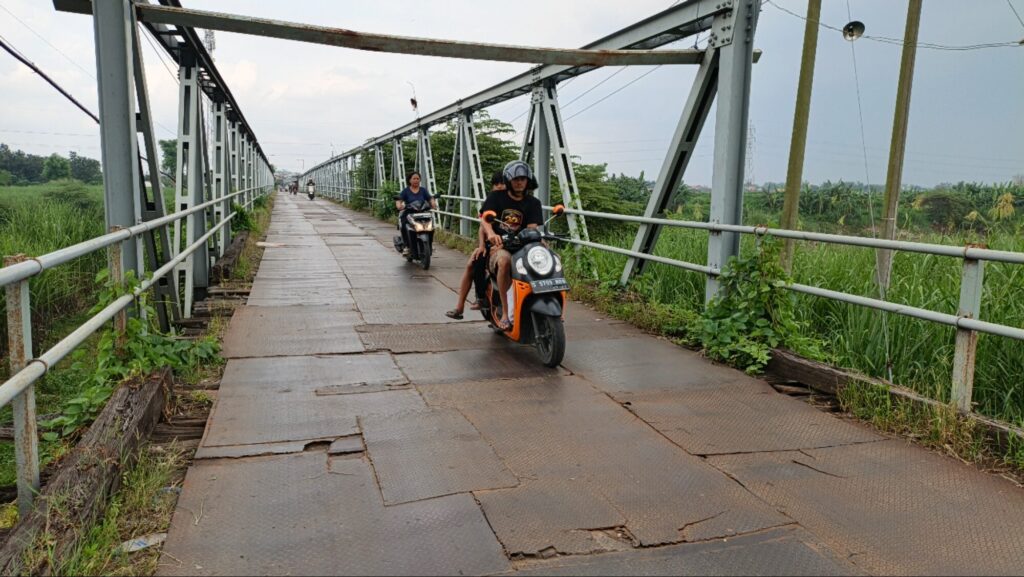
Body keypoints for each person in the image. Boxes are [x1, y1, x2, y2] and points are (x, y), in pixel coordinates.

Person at [480, 160, 543, 330]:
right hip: (502, 247)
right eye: (516, 179)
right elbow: (485, 219)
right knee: (504, 262)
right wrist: (492, 234)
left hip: (523, 247)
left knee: (553, 259)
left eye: (523, 179)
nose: (520, 182)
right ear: (509, 180)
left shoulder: (533, 203)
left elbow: (532, 228)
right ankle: (506, 314)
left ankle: (549, 305)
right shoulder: (496, 197)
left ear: (528, 180)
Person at [445, 172, 507, 320]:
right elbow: (483, 226)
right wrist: (482, 246)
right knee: (473, 264)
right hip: (493, 243)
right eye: (496, 183)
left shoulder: (517, 200)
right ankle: (463, 305)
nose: (499, 186)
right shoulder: (492, 201)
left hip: (513, 243)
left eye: (502, 183)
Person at [395, 171, 436, 257]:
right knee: (404, 225)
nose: (416, 180)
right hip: (409, 213)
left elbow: (430, 198)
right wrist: (399, 205)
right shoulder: (406, 191)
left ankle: (430, 245)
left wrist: (433, 204)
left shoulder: (423, 190)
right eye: (414, 178)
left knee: (431, 227)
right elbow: (399, 199)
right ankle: (406, 246)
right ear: (410, 180)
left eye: (418, 178)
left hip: (422, 212)